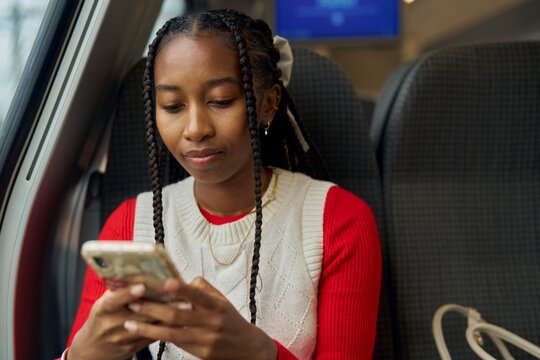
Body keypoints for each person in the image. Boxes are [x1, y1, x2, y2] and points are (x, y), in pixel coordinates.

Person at [61, 9, 381, 360]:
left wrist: (259, 353)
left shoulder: (339, 222)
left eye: (220, 101)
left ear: (269, 104)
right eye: (172, 106)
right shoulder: (129, 224)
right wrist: (79, 355)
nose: (196, 128)